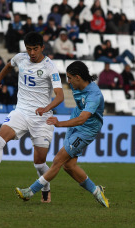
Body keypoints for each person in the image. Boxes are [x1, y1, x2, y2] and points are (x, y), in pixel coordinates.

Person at [0, 32, 64, 203]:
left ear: (42, 47)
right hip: (21, 111)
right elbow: (8, 65)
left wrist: (47, 108)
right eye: (28, 49)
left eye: (35, 49)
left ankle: (46, 188)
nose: (32, 53)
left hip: (42, 118)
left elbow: (60, 96)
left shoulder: (50, 67)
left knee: (39, 163)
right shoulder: (21, 58)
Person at [15, 60, 110, 208]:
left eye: (70, 78)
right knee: (69, 166)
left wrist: (60, 123)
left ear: (78, 77)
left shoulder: (94, 95)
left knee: (58, 160)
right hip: (75, 124)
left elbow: (83, 119)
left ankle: (30, 191)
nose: (68, 81)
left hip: (86, 130)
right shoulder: (77, 86)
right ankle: (96, 190)